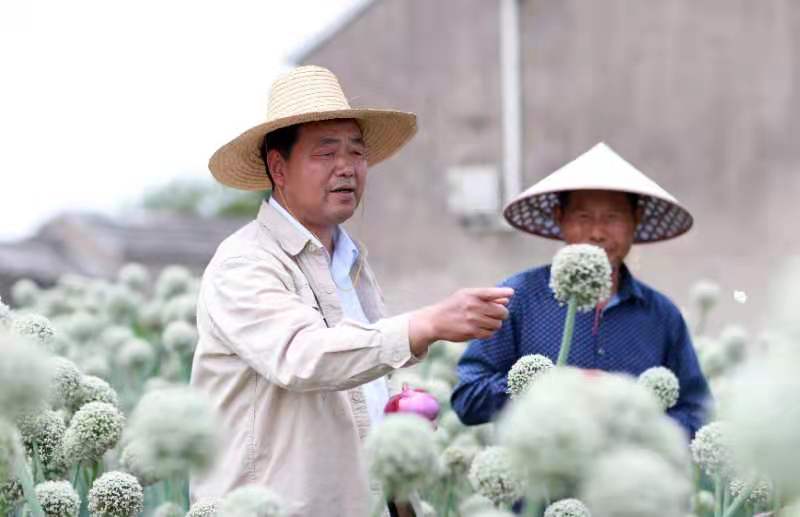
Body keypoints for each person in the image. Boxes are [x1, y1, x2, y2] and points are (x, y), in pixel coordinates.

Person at [189, 65, 513, 517]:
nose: (346, 167)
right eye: (326, 153)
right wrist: (425, 324)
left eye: (356, 152)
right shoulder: (245, 263)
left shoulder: (350, 260)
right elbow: (303, 356)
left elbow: (361, 387)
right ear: (278, 168)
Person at [451, 142, 711, 438]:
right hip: (540, 464)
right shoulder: (518, 297)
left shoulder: (661, 315)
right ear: (559, 217)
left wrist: (639, 420)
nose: (597, 232)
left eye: (613, 217)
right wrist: (545, 384)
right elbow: (467, 398)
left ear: (636, 219)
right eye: (583, 217)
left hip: (628, 465)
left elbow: (696, 412)